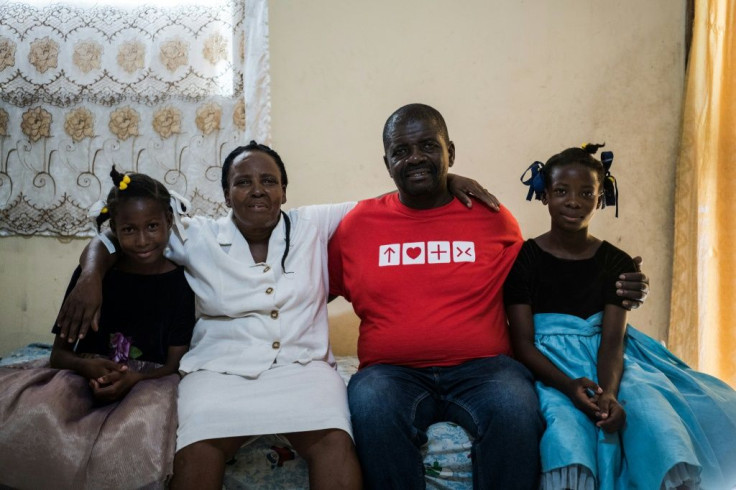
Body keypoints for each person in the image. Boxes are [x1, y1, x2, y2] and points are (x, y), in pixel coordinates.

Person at [53, 140, 493, 489]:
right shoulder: (194, 234)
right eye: (243, 182)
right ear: (226, 192)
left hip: (302, 370)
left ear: (285, 189)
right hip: (219, 371)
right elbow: (120, 234)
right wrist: (91, 273)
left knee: (335, 444)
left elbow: (393, 200)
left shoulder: (316, 224)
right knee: (199, 449)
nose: (257, 189)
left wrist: (448, 180)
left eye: (269, 179)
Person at [326, 104, 650, 489]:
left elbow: (547, 272)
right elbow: (307, 290)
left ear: (451, 152)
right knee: (371, 405)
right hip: (390, 374)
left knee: (515, 406)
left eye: (429, 146)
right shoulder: (357, 224)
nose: (414, 158)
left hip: (485, 370)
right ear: (386, 162)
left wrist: (621, 281)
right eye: (401, 151)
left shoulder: (490, 215)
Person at [504, 144, 736, 489]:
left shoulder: (617, 263)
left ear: (601, 199)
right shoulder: (523, 260)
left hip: (611, 361)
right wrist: (569, 386)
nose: (573, 201)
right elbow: (521, 343)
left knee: (653, 412)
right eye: (562, 192)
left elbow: (612, 341)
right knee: (565, 428)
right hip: (549, 365)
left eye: (587, 193)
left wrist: (609, 393)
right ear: (544, 196)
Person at [0, 168, 196, 489]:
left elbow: (174, 365)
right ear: (114, 231)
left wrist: (136, 378)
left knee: (137, 434)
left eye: (152, 227)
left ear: (169, 223)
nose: (143, 240)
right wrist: (85, 365)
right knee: (38, 418)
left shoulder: (181, 284)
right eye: (130, 229)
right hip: (82, 375)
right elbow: (59, 356)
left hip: (148, 384)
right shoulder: (91, 280)